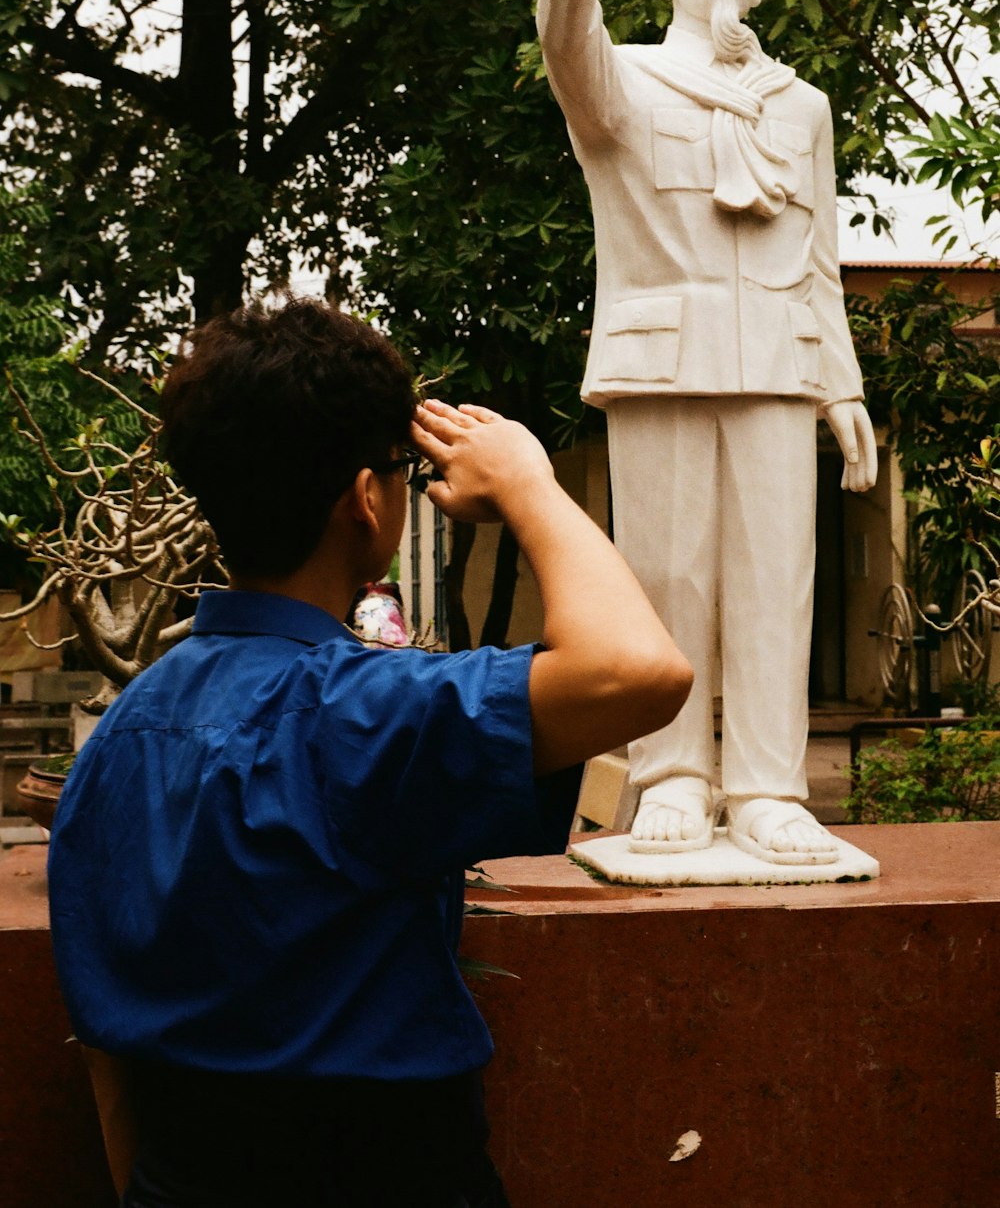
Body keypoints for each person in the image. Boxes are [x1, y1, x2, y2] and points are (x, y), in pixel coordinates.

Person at [48, 297, 691, 1208]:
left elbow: (107, 1048)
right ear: (365, 499)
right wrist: (528, 485)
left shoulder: (122, 733)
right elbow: (640, 671)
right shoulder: (362, 710)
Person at [537, 0, 877, 863]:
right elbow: (562, 36)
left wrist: (842, 385)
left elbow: (818, 257)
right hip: (664, 363)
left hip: (779, 365)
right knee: (668, 574)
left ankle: (770, 787)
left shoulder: (802, 106)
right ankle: (672, 777)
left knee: (778, 578)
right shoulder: (622, 83)